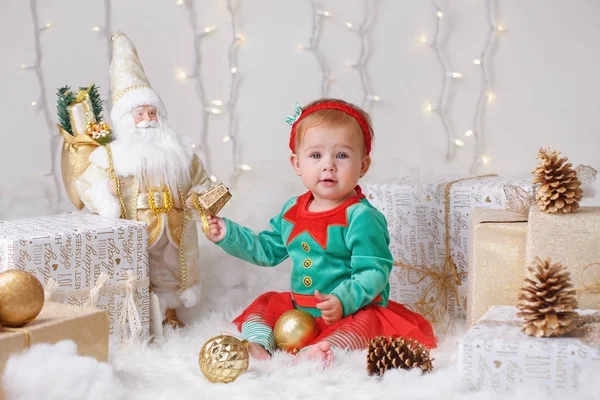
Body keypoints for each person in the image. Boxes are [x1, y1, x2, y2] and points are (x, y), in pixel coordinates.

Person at [204, 98, 437, 365]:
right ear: (297, 164)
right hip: (299, 309)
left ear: (363, 165)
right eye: (315, 155)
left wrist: (342, 300)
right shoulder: (293, 210)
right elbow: (267, 250)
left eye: (342, 155)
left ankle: (321, 351)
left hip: (347, 311)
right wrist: (228, 234)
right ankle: (260, 344)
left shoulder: (361, 216)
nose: (329, 165)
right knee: (264, 305)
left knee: (365, 324)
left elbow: (374, 271)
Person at [76, 32, 213, 331]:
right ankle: (139, 318)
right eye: (140, 114)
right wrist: (105, 196)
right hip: (136, 225)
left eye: (152, 112)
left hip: (174, 224)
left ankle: (169, 313)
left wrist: (199, 197)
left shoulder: (180, 152)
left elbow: (205, 182)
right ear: (127, 119)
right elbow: (85, 185)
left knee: (171, 269)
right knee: (139, 270)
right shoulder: (112, 157)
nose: (148, 119)